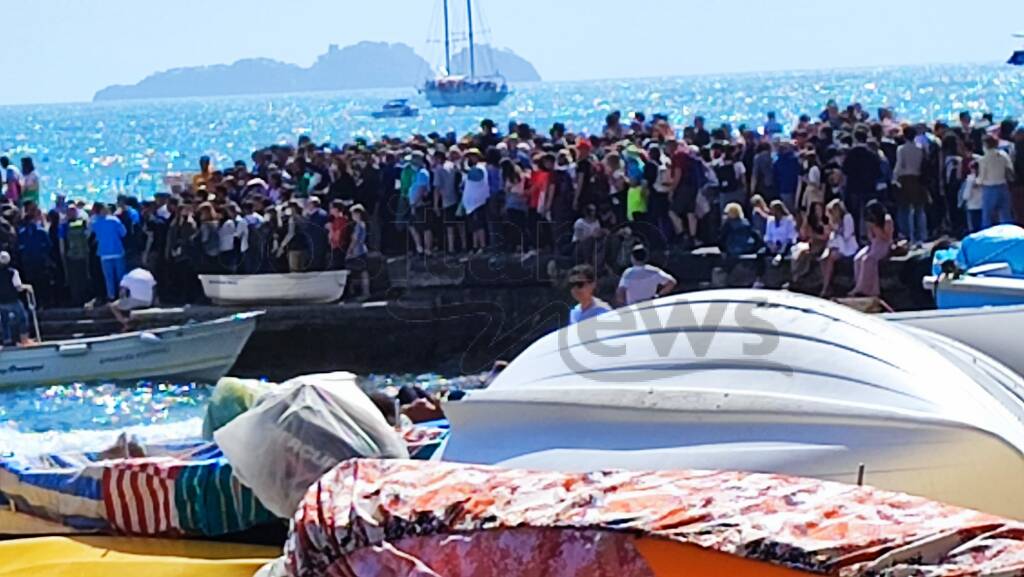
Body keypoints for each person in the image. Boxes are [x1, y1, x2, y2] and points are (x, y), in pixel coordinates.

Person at [850, 200, 894, 297]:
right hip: (874, 243)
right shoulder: (870, 221)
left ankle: (862, 289)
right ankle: (860, 285)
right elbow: (871, 237)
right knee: (858, 258)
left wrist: (876, 227)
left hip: (884, 244)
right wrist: (870, 229)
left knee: (868, 260)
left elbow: (887, 237)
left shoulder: (887, 220)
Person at [894, 127, 927, 247]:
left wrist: (894, 179)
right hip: (918, 178)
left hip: (905, 179)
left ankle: (909, 235)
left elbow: (899, 166)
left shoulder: (901, 149)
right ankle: (923, 234)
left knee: (905, 209)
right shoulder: (920, 148)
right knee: (919, 208)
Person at [820, 199, 859, 298]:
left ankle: (825, 287)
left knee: (831, 259)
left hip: (847, 246)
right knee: (823, 259)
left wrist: (835, 228)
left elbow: (847, 235)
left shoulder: (847, 218)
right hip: (836, 245)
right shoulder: (834, 220)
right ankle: (827, 284)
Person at [89, 203, 127, 303]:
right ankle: (122, 296)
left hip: (104, 253)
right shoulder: (114, 220)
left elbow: (91, 234)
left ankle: (111, 296)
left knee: (108, 277)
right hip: (117, 251)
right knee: (121, 276)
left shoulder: (94, 222)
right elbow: (123, 233)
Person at [977, 135, 1015, 229]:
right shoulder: (1003, 155)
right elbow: (1010, 169)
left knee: (987, 217)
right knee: (1005, 215)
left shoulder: (983, 159)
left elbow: (981, 178)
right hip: (1003, 186)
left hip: (989, 188)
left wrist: (976, 181)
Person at [59, 205, 92, 307]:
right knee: (83, 276)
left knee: (74, 279)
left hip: (71, 255)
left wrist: (62, 255)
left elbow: (61, 242)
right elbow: (88, 235)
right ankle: (84, 298)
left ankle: (76, 299)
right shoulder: (83, 222)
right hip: (82, 254)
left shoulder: (63, 226)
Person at [462, 148, 491, 253]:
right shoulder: (475, 168)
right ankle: (475, 246)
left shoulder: (479, 168)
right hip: (471, 204)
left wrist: (462, 161)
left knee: (479, 226)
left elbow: (467, 172)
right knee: (473, 227)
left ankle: (482, 246)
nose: (471, 158)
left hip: (478, 202)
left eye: (473, 156)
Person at [0, 251, 32, 345]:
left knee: (5, 321)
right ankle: (24, 340)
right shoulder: (13, 272)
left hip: (1, 302)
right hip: (13, 300)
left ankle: (7, 341)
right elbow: (18, 287)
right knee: (22, 318)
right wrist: (27, 287)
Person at [346, 204, 370, 301]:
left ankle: (364, 293)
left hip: (357, 252)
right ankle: (363, 292)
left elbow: (355, 240)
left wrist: (349, 251)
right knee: (362, 272)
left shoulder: (359, 225)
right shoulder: (363, 224)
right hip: (362, 250)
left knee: (359, 272)